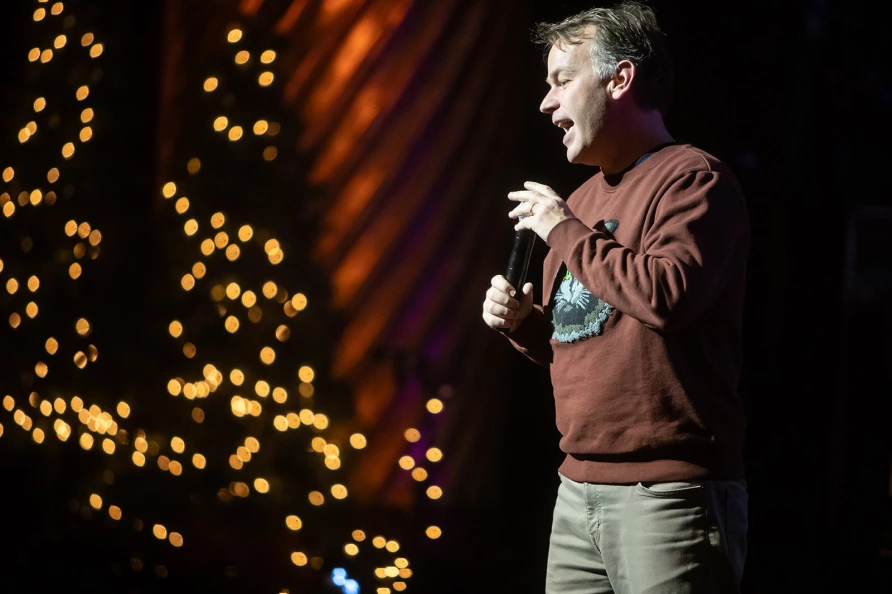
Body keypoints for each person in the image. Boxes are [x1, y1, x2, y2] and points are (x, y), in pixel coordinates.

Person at [481, 2, 750, 592]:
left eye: (561, 81)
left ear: (620, 78)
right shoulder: (577, 203)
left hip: (669, 496)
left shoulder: (692, 179)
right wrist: (525, 323)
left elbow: (665, 297)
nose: (546, 103)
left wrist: (562, 230)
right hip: (577, 492)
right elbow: (583, 339)